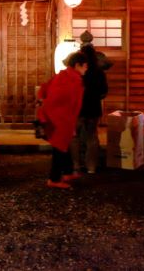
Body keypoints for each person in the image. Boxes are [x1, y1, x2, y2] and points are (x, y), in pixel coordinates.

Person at [38, 52, 88, 189]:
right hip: (62, 118)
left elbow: (45, 88)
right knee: (59, 147)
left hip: (54, 115)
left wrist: (42, 103)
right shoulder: (74, 80)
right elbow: (73, 103)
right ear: (77, 65)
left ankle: (67, 172)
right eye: (84, 66)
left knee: (62, 145)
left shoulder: (63, 75)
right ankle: (54, 179)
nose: (86, 69)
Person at [70, 43, 108, 174]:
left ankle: (76, 166)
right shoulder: (99, 72)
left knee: (74, 137)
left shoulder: (77, 71)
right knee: (92, 136)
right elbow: (104, 91)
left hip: (77, 109)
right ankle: (91, 166)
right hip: (93, 108)